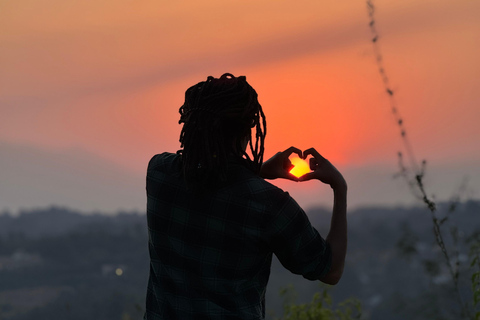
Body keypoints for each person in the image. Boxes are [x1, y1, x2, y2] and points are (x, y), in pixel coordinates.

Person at [144, 73, 347, 320]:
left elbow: (211, 183)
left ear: (191, 124)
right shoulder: (270, 205)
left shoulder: (159, 174)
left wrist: (256, 170)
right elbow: (331, 270)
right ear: (247, 130)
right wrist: (339, 186)